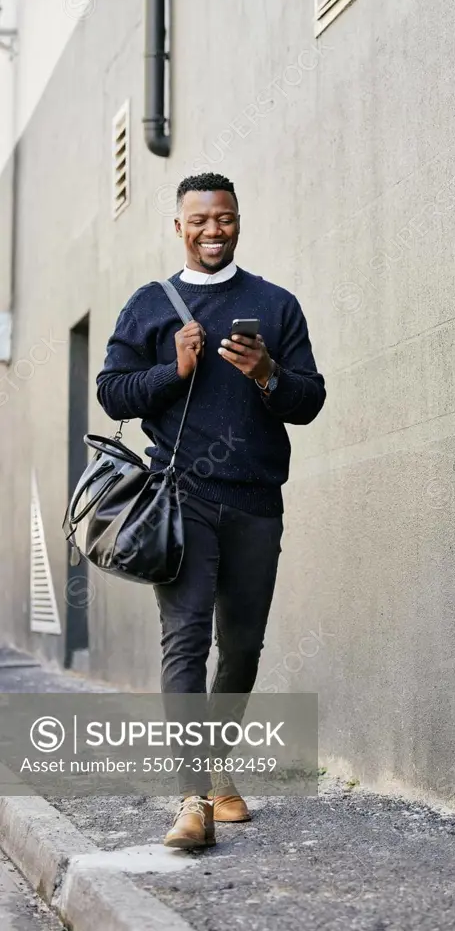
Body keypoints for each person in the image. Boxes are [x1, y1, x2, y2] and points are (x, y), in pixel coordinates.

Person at [96, 172, 326, 848]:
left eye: (223, 218)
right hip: (181, 498)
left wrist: (267, 376)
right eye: (198, 221)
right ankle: (191, 799)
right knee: (186, 640)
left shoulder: (275, 305)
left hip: (255, 500)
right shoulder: (149, 306)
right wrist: (173, 371)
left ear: (237, 222)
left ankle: (216, 771)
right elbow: (112, 392)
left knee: (243, 649)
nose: (212, 230)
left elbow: (310, 400)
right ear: (179, 228)